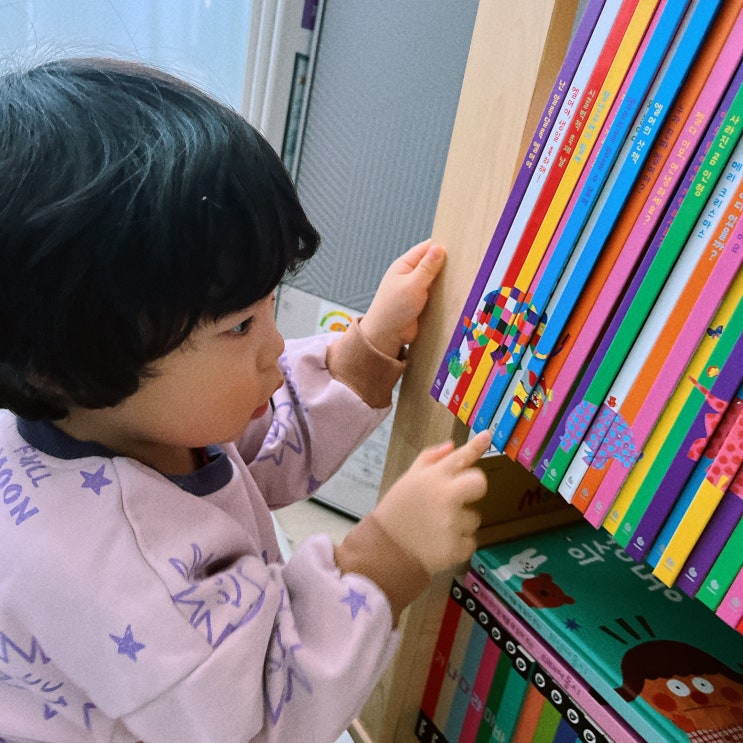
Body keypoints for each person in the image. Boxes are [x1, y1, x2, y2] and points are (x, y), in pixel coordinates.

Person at [0, 57, 492, 743]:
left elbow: (265, 440)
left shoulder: (125, 414)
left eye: (269, 306)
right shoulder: (121, 568)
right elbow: (262, 716)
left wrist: (366, 351)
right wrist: (388, 555)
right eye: (238, 327)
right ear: (69, 368)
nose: (275, 346)